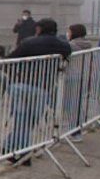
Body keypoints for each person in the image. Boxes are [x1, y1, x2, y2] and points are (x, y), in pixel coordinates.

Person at [4, 18, 71, 161]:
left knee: (21, 118)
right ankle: (13, 147)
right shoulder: (63, 45)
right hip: (43, 87)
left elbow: (11, 59)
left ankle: (19, 151)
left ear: (39, 29)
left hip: (22, 84)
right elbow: (67, 55)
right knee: (29, 120)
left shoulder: (29, 42)